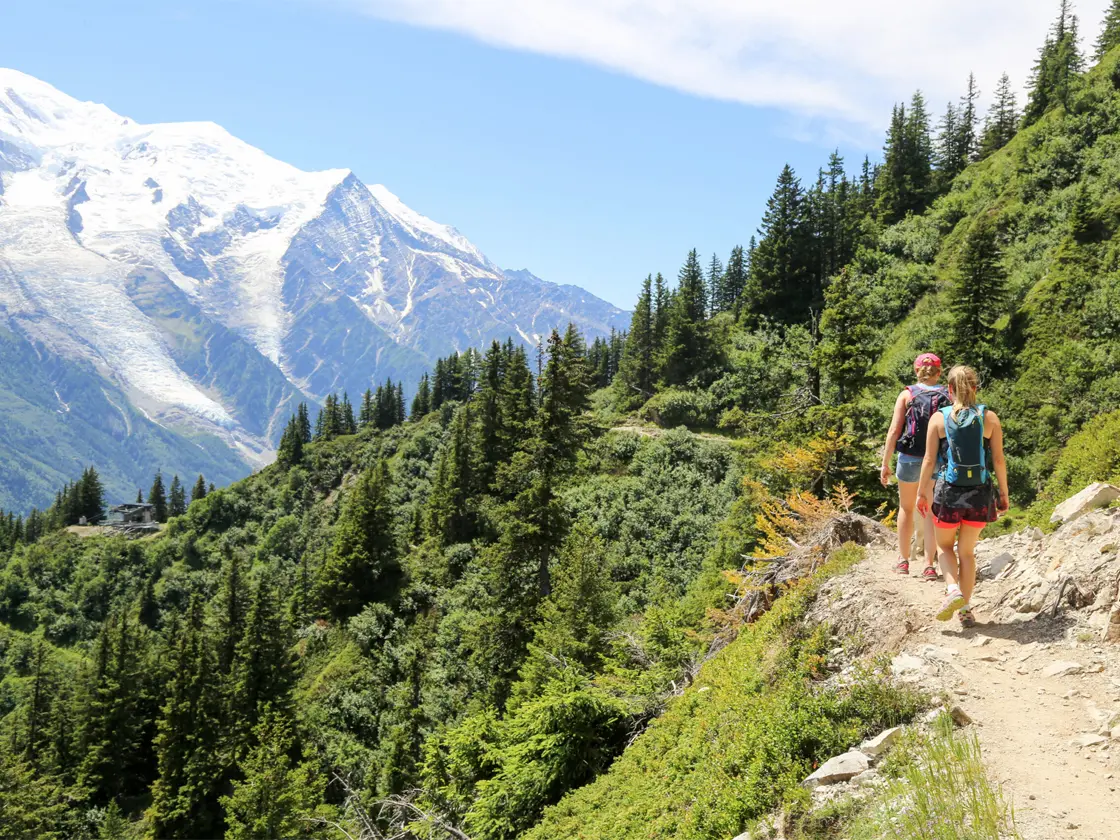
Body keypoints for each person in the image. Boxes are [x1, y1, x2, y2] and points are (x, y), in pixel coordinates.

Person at [917, 365, 1009, 628]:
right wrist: (1003, 493)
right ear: (975, 387)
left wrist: (922, 492)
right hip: (980, 493)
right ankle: (966, 610)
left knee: (945, 547)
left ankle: (952, 589)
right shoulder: (989, 417)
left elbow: (928, 459)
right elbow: (999, 460)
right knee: (967, 552)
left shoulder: (939, 418)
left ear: (949, 389)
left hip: (948, 492)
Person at [881, 353, 950, 580]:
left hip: (909, 457)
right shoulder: (947, 395)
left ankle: (903, 561)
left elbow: (894, 430)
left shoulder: (907, 394)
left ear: (916, 370)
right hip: (936, 459)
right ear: (939, 372)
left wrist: (885, 463)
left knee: (907, 508)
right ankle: (929, 565)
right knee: (930, 511)